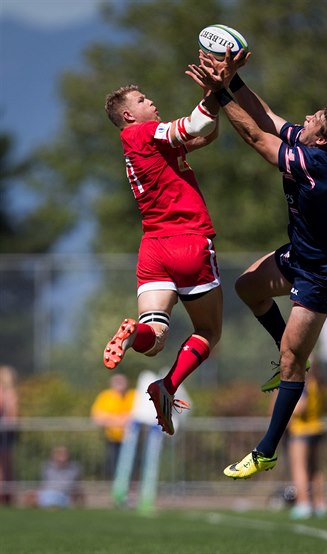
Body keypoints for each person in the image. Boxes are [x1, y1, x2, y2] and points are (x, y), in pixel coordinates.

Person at [187, 48, 327, 478]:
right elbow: (267, 118)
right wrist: (234, 82)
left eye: (314, 118)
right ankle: (292, 356)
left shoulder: (316, 164)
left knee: (290, 362)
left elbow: (256, 138)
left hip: (324, 275)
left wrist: (219, 94)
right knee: (248, 287)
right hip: (301, 257)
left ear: (320, 138)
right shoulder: (312, 148)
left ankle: (265, 450)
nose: (305, 118)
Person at [103, 77, 222, 435]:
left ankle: (133, 332)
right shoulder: (145, 134)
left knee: (153, 339)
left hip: (154, 248)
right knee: (208, 330)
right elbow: (197, 124)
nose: (151, 101)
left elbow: (205, 134)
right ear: (128, 115)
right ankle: (167, 385)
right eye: (142, 99)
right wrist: (221, 89)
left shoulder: (144, 145)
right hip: (188, 242)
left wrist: (210, 98)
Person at [287, 359, 327, 519]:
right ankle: (320, 504)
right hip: (317, 427)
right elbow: (325, 406)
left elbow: (300, 406)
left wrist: (286, 413)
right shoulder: (322, 384)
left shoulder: (304, 384)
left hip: (301, 430)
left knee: (300, 467)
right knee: (316, 469)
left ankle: (303, 503)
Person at [91, 373, 136, 479]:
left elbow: (137, 415)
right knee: (113, 467)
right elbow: (97, 417)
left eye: (122, 382)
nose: (119, 385)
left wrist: (110, 419)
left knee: (132, 467)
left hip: (132, 440)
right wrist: (119, 421)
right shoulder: (105, 396)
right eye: (117, 382)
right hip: (112, 439)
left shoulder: (133, 395)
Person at [0, 364, 19, 505]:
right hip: (6, 432)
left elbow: (13, 416)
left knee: (5, 466)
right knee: (6, 466)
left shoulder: (9, 393)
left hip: (5, 432)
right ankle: (6, 495)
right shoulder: (10, 393)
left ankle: (5, 495)